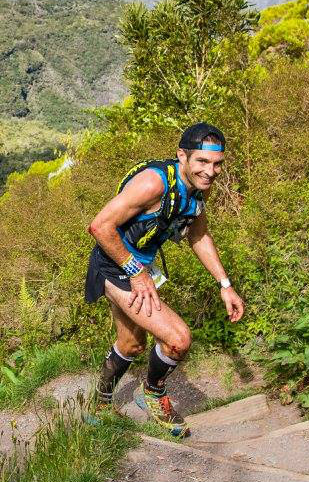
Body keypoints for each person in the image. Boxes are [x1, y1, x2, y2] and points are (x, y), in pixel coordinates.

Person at [83, 122, 245, 437]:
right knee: (178, 339)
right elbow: (100, 226)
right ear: (181, 156)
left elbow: (198, 235)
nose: (210, 172)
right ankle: (153, 393)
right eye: (202, 161)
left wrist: (225, 285)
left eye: (217, 164)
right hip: (116, 266)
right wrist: (137, 271)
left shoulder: (199, 188)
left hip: (136, 267)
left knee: (130, 345)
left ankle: (100, 404)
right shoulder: (153, 185)